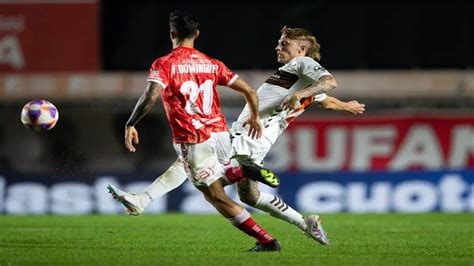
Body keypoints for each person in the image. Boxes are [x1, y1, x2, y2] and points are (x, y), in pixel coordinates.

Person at [109, 25, 365, 246]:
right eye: (278, 42)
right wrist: (345, 106)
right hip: (258, 139)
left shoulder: (303, 64)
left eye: (285, 44)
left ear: (301, 50)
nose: (278, 47)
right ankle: (305, 222)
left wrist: (298, 95)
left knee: (191, 162)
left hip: (249, 134)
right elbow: (325, 99)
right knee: (249, 197)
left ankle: (142, 198)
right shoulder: (297, 76)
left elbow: (329, 82)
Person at [108, 10, 282, 252]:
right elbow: (250, 91)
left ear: (171, 34)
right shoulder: (212, 64)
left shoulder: (165, 64)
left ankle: (266, 239)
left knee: (215, 196)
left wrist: (131, 123)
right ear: (197, 34)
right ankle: (142, 200)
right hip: (220, 134)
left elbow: (150, 96)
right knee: (185, 168)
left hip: (192, 137)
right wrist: (254, 117)